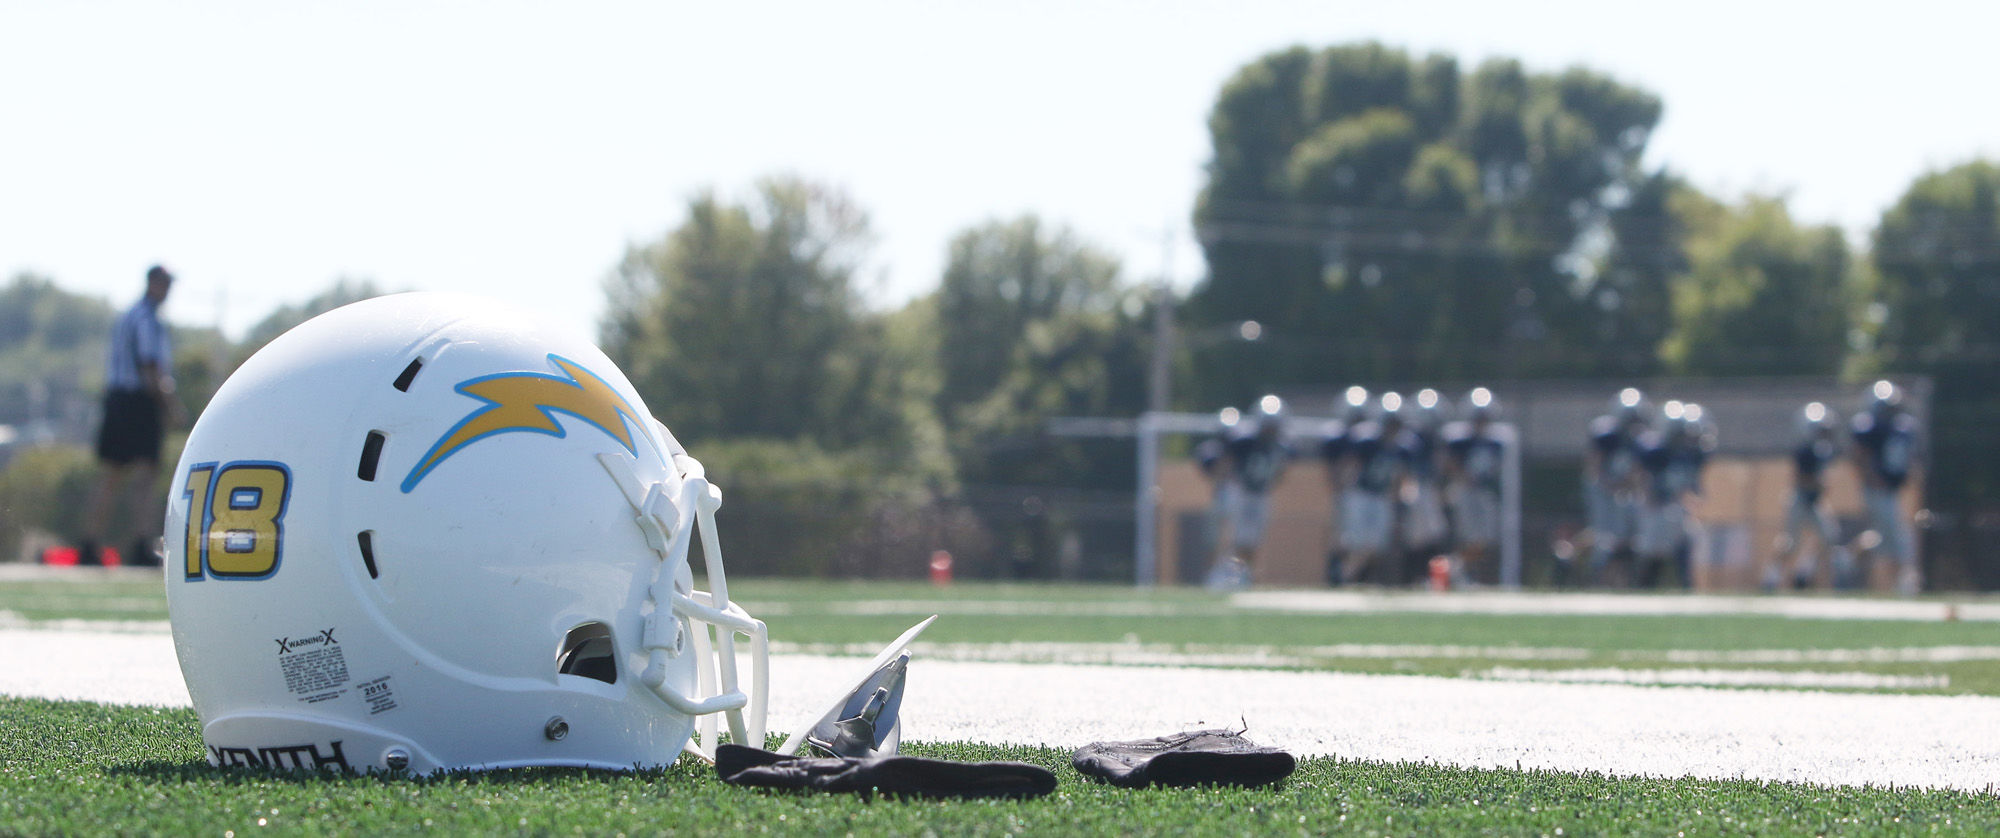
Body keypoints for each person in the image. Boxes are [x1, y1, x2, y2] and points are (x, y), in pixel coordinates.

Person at [77, 265, 179, 566]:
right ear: (155, 285)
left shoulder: (129, 315)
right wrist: (170, 405)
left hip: (119, 399)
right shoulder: (146, 319)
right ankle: (140, 543)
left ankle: (90, 541)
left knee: (112, 475)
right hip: (138, 401)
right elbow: (150, 367)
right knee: (143, 475)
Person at [1204, 396, 1291, 590]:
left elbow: (1279, 473)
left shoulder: (1281, 446)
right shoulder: (1243, 441)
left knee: (1252, 539)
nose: (1270, 429)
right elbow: (1226, 465)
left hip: (1260, 494)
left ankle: (1245, 577)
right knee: (1230, 536)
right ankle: (1220, 576)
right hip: (1240, 491)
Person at [1768, 402, 1849, 591]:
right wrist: (1819, 484)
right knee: (1790, 542)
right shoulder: (1804, 451)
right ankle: (1771, 576)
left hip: (1815, 500)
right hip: (1799, 498)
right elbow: (1800, 479)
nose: (1824, 434)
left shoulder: (1823, 451)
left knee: (1829, 537)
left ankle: (1803, 574)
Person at [1333, 392, 1413, 585]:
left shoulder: (1403, 447)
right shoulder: (1367, 441)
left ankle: (1351, 576)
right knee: (1356, 541)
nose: (1392, 427)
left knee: (1377, 545)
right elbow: (1350, 465)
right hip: (1361, 494)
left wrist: (1400, 497)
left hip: (1381, 496)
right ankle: (1349, 576)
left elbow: (1400, 476)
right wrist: (1343, 489)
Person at [1850, 380, 1921, 595]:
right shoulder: (1868, 426)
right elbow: (1860, 457)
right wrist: (1872, 479)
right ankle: (1905, 584)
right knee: (1898, 537)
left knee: (1888, 537)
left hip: (1892, 489)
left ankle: (1853, 556)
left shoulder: (1902, 428)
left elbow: (1906, 459)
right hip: (1877, 489)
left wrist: (1909, 475)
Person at [1633, 401, 1710, 589]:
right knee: (1653, 553)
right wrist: (1649, 501)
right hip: (1656, 505)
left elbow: (1689, 485)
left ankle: (1686, 585)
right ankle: (1643, 587)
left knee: (1686, 543)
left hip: (1676, 507)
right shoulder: (1657, 452)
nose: (1686, 439)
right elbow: (1643, 478)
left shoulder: (1689, 455)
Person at [1584, 388, 1648, 585]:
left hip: (1626, 492)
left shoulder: (1641, 441)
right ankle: (1597, 578)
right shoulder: (1607, 436)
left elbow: (1638, 472)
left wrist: (1627, 486)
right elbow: (1594, 469)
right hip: (1604, 491)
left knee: (1628, 539)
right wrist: (1610, 486)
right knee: (1605, 537)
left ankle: (1623, 582)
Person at [1443, 387, 1506, 584]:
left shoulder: (1496, 442)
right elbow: (1450, 465)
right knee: (1468, 536)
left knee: (1483, 539)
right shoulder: (1460, 440)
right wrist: (1465, 479)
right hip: (1465, 491)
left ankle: (1458, 569)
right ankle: (1454, 570)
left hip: (1484, 493)